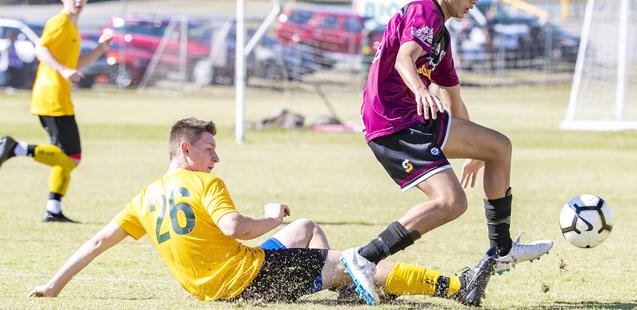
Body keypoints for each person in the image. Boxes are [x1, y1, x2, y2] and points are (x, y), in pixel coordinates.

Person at [30, 117, 497, 306]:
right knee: (360, 261)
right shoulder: (205, 182)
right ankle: (457, 287)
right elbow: (235, 228)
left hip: (214, 287)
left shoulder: (146, 197)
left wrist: (54, 284)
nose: (216, 158)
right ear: (186, 150)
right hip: (249, 278)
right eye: (210, 149)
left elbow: (96, 242)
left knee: (307, 228)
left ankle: (341, 287)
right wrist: (271, 217)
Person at [342, 0, 553, 304]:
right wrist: (421, 89)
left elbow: (454, 99)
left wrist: (475, 150)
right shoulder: (424, 12)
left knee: (498, 147)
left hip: (416, 118)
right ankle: (364, 258)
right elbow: (403, 57)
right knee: (451, 201)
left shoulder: (442, 37)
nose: (475, 0)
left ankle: (500, 249)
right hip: (392, 122)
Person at [0, 0, 112, 222]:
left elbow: (75, 64)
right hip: (51, 97)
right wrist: (62, 71)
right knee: (72, 157)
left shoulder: (72, 26)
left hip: (58, 98)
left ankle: (53, 209)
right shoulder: (60, 22)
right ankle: (15, 148)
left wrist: (100, 50)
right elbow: (41, 50)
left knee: (67, 158)